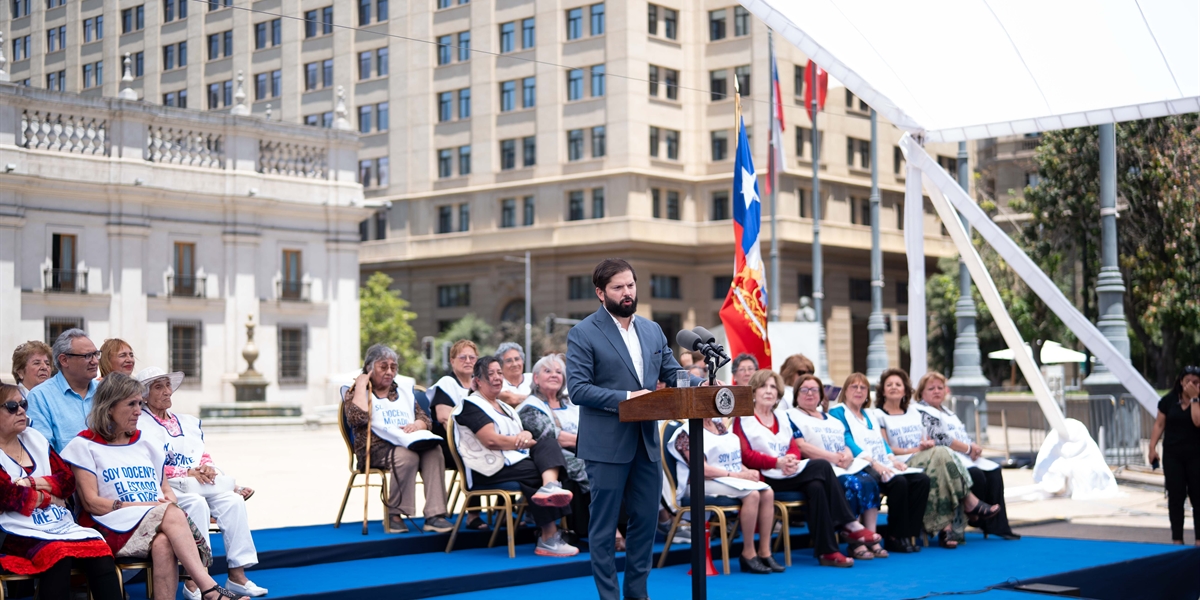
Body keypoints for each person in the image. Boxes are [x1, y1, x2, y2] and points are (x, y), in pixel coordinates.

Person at [565, 258, 703, 600]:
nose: (627, 293)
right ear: (600, 293)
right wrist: (629, 397)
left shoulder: (652, 330)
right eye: (618, 288)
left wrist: (706, 386)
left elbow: (674, 374)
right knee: (604, 528)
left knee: (645, 523)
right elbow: (579, 389)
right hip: (606, 445)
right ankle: (609, 597)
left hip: (645, 443)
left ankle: (637, 594)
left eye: (630, 285)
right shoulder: (583, 333)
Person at [60, 374, 247, 600]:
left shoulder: (147, 443)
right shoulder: (84, 445)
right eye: (131, 404)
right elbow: (92, 503)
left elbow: (167, 491)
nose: (139, 410)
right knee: (168, 512)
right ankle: (208, 588)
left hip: (154, 522)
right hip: (111, 526)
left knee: (164, 542)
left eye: (140, 403)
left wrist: (163, 506)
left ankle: (202, 590)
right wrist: (147, 506)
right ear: (109, 407)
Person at [135, 367, 268, 598]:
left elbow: (201, 455)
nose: (167, 391)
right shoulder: (140, 422)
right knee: (196, 504)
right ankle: (196, 581)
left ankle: (237, 575)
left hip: (196, 481)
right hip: (165, 486)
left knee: (233, 501)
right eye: (159, 387)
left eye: (168, 385)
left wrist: (208, 469)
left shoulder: (187, 422)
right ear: (144, 395)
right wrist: (186, 471)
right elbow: (146, 462)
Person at [734, 370, 878, 568]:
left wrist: (791, 458)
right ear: (753, 392)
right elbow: (745, 455)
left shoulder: (781, 417)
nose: (768, 391)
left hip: (787, 471)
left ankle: (828, 552)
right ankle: (849, 523)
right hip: (763, 476)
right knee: (821, 465)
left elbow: (792, 444)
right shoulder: (744, 419)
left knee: (816, 486)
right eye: (763, 387)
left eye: (773, 387)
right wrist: (777, 462)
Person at [0, 384, 122, 600]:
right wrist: (51, 497)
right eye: (11, 406)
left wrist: (32, 483)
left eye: (23, 404)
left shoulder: (34, 439)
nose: (21, 411)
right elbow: (8, 496)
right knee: (59, 555)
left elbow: (67, 481)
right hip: (14, 531)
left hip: (57, 524)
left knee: (101, 553)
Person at [452, 356, 576, 556]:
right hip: (487, 468)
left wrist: (526, 435)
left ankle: (549, 488)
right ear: (477, 381)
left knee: (548, 442)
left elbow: (522, 432)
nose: (497, 378)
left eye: (499, 373)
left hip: (514, 461)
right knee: (537, 470)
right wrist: (522, 441)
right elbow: (490, 440)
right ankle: (549, 535)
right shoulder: (471, 405)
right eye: (490, 374)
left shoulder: (506, 407)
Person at [874, 368, 999, 548]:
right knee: (941, 453)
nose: (894, 387)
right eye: (889, 385)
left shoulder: (913, 412)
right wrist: (917, 448)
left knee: (940, 466)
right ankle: (970, 502)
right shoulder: (878, 415)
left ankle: (946, 528)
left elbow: (928, 438)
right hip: (901, 462)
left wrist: (925, 446)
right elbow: (886, 449)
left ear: (905, 390)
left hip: (925, 458)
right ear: (883, 390)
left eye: (898, 384)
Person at [343, 344, 454, 534]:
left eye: (393, 367)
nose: (389, 372)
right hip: (375, 448)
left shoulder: (401, 391)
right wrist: (362, 385)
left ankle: (435, 515)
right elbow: (357, 418)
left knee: (434, 451)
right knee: (406, 456)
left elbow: (424, 418)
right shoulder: (356, 391)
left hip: (409, 441)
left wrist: (417, 425)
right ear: (370, 368)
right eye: (383, 366)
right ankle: (395, 514)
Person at [786, 374, 887, 558]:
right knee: (852, 484)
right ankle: (856, 542)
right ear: (796, 394)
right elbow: (801, 445)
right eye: (804, 389)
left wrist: (847, 455)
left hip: (842, 465)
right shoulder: (792, 416)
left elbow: (845, 443)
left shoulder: (832, 420)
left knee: (870, 480)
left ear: (821, 394)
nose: (810, 393)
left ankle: (871, 537)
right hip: (820, 468)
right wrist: (831, 457)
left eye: (814, 389)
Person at [829, 372, 930, 554]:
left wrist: (892, 459)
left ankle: (908, 534)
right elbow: (846, 439)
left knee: (921, 480)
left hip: (881, 462)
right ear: (845, 391)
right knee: (898, 483)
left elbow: (880, 441)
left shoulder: (869, 414)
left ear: (868, 393)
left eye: (863, 387)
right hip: (859, 464)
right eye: (854, 387)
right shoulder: (838, 412)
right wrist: (874, 463)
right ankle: (893, 537)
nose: (858, 391)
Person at [915, 371, 1018, 541]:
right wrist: (969, 449)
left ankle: (997, 525)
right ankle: (974, 516)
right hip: (943, 457)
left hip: (963, 454)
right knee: (976, 475)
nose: (936, 391)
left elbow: (960, 435)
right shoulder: (922, 411)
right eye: (931, 388)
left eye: (940, 387)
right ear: (922, 393)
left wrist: (974, 447)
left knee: (994, 472)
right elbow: (941, 437)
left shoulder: (948, 412)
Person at [669, 417, 781, 573]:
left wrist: (746, 471)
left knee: (768, 492)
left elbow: (731, 458)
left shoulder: (719, 426)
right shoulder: (686, 432)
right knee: (753, 495)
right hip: (698, 483)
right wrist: (736, 476)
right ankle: (748, 553)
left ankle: (765, 551)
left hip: (727, 479)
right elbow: (702, 469)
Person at [516, 355, 598, 543]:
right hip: (552, 460)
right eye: (548, 371)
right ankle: (602, 529)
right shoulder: (530, 407)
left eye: (559, 372)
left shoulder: (571, 405)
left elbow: (592, 429)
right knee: (591, 467)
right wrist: (588, 442)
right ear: (536, 378)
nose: (554, 375)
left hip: (582, 451)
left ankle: (619, 527)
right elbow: (552, 437)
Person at [1148, 365, 1200, 546]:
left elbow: (1197, 421)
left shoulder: (1198, 400)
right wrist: (1152, 447)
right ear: (1181, 382)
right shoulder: (1168, 401)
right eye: (1188, 382)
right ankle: (1177, 538)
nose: (1191, 385)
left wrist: (1194, 399)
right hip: (1173, 456)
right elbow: (1159, 425)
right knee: (1176, 497)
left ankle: (1199, 539)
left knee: (1198, 497)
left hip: (1196, 456)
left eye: (1195, 382)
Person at [27, 329, 100, 452]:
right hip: (66, 470)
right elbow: (43, 451)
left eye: (96, 354)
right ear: (64, 360)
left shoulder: (105, 391)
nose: (95, 361)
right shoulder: (40, 397)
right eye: (87, 356)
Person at [496, 342, 532, 407]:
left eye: (517, 359)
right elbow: (512, 399)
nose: (515, 364)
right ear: (500, 365)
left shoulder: (532, 378)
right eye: (509, 361)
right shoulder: (498, 382)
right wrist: (536, 398)